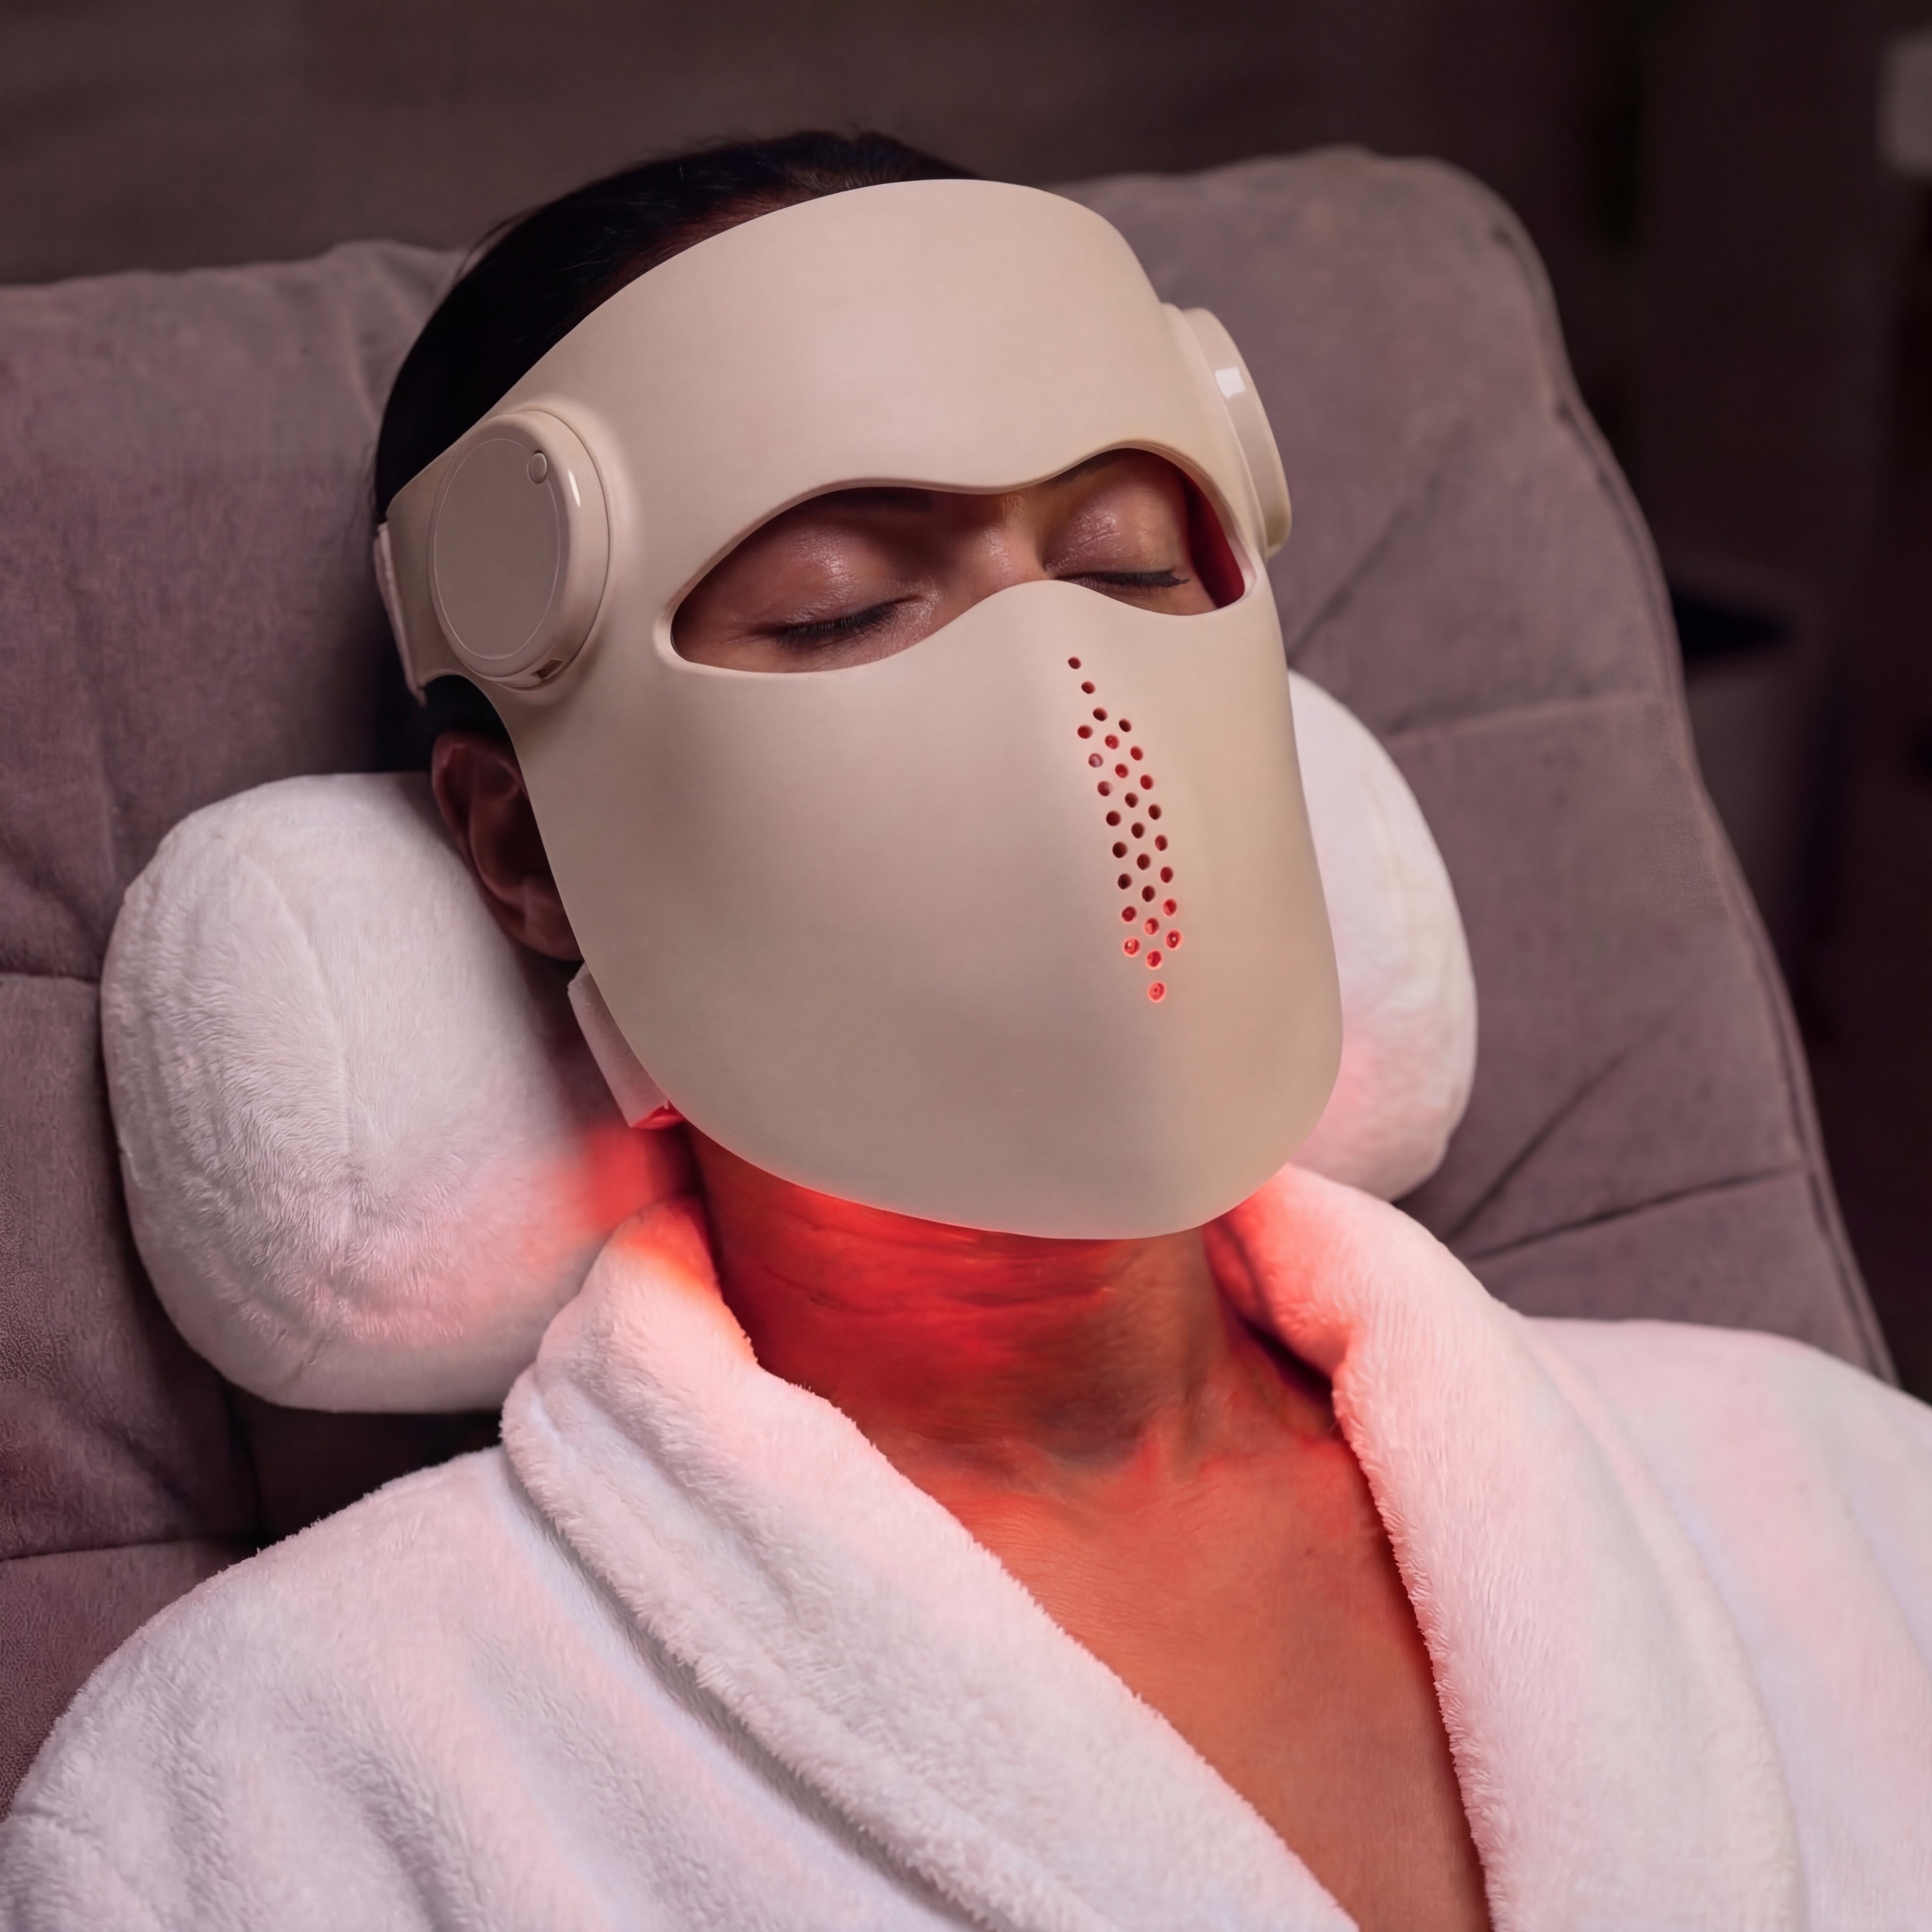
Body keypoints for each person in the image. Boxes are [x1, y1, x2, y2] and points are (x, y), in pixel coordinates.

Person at [3, 133, 1930, 1932]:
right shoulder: (287, 1785)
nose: (1067, 704)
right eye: (843, 610)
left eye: (1127, 565)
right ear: (522, 846)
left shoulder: (1834, 1498)